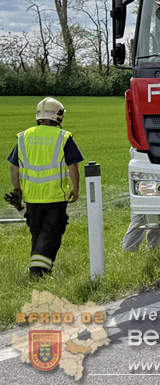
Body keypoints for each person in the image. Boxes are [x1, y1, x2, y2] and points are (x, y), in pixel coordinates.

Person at [5, 97, 83, 277]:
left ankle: (38, 270)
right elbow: (73, 166)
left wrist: (17, 191)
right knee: (51, 234)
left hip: (32, 198)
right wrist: (76, 188)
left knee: (38, 233)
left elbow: (13, 166)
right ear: (58, 116)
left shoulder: (24, 136)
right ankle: (38, 272)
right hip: (55, 197)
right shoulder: (63, 137)